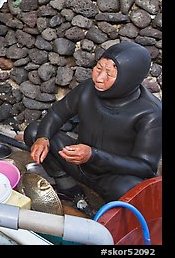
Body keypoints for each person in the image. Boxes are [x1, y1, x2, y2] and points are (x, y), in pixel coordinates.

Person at [24, 41, 162, 215]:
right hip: (77, 163)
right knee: (36, 131)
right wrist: (43, 138)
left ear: (129, 78)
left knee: (133, 190)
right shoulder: (88, 88)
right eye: (98, 68)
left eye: (109, 74)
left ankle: (109, 215)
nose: (99, 78)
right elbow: (57, 114)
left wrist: (93, 155)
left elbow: (145, 167)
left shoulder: (151, 113)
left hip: (110, 177)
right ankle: (67, 186)